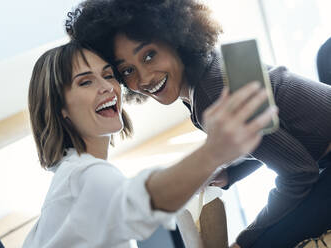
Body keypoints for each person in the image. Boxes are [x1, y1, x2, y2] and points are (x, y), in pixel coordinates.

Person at [67, 0, 331, 247]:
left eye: (149, 55)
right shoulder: (206, 75)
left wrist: (244, 240)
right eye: (127, 70)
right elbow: (274, 137)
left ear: (176, 39)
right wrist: (231, 173)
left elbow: (299, 174)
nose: (144, 78)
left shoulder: (212, 95)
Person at [22, 40, 275, 247]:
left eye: (109, 75)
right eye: (85, 81)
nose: (107, 88)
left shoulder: (71, 179)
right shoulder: (82, 177)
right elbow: (144, 200)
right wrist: (213, 153)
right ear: (60, 108)